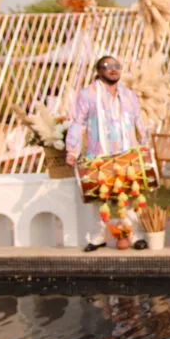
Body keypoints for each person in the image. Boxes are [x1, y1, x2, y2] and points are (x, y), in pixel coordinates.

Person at [66, 56, 150, 252]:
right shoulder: (87, 94)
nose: (113, 70)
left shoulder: (128, 94)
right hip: (99, 154)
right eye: (108, 66)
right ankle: (98, 237)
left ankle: (135, 235)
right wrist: (72, 150)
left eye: (117, 66)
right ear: (98, 70)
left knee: (129, 195)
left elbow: (138, 120)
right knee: (100, 199)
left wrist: (144, 144)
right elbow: (78, 123)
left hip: (126, 152)